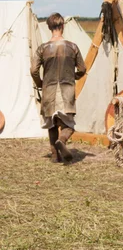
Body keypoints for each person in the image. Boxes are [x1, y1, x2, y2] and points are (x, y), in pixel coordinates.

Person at [31, 13, 86, 162]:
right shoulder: (72, 47)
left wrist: (40, 83)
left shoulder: (42, 48)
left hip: (49, 91)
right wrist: (73, 76)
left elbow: (33, 70)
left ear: (49, 27)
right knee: (68, 125)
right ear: (62, 26)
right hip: (66, 91)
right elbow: (82, 69)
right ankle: (62, 140)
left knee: (52, 125)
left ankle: (55, 156)